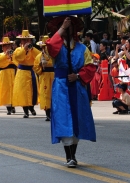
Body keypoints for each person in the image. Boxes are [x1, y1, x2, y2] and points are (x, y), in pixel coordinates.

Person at [46, 17, 97, 168]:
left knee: (77, 120)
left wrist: (79, 76)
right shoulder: (57, 46)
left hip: (77, 87)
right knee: (64, 119)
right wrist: (62, 27)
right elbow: (50, 45)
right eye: (65, 27)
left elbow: (90, 66)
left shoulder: (82, 48)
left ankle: (73, 155)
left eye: (70, 27)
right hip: (61, 87)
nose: (68, 30)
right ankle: (69, 156)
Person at [12, 30, 41, 118]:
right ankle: (25, 111)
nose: (26, 42)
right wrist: (24, 49)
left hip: (31, 71)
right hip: (22, 73)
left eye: (28, 40)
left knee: (33, 91)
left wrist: (32, 49)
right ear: (21, 41)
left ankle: (31, 107)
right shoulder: (18, 49)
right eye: (24, 40)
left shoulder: (33, 49)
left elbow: (38, 56)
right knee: (23, 92)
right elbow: (18, 58)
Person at [34, 36, 54, 121]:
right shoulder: (39, 56)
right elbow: (35, 67)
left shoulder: (54, 55)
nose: (44, 48)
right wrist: (41, 66)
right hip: (44, 76)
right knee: (45, 94)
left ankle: (54, 112)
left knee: (54, 93)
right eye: (43, 46)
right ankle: (47, 113)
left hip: (53, 75)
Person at [0, 37, 16, 115]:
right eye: (5, 46)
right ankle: (8, 108)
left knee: (14, 89)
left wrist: (12, 56)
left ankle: (13, 105)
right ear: (2, 47)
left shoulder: (13, 53)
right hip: (4, 73)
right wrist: (6, 55)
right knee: (5, 90)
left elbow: (17, 61)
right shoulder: (0, 54)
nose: (7, 47)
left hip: (13, 72)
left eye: (9, 46)